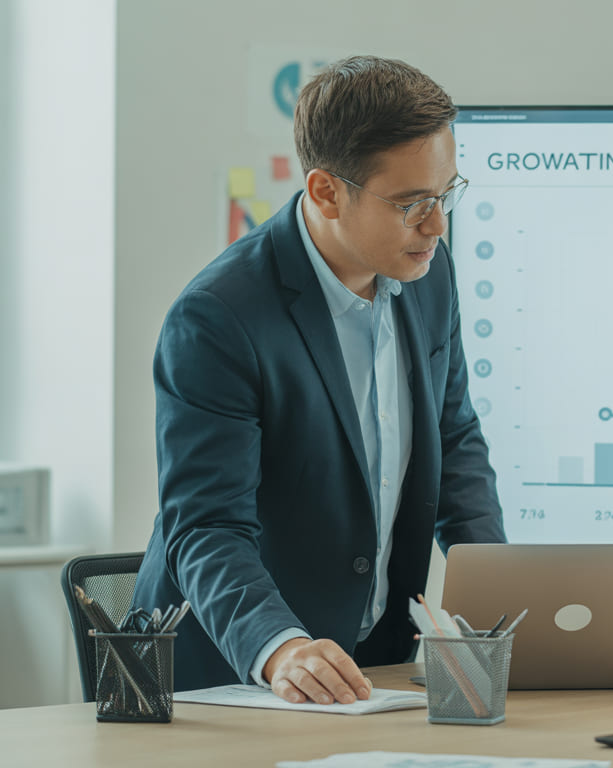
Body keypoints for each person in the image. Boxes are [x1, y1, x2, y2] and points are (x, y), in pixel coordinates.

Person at [131, 56, 506, 704]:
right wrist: (283, 648)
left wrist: (505, 593)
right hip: (227, 683)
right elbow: (206, 526)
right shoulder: (217, 320)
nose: (437, 225)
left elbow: (455, 437)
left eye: (446, 195)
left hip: (375, 673)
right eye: (412, 202)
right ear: (327, 191)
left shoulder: (427, 271)